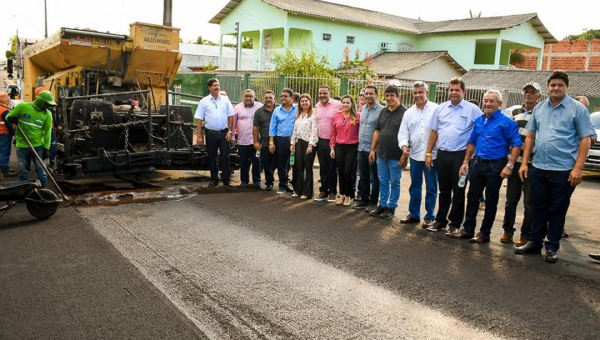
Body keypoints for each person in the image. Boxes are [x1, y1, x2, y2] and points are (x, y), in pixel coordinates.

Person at [515, 70, 596, 263]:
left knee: (557, 209)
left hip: (564, 170)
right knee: (538, 206)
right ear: (548, 87)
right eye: (553, 85)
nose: (556, 88)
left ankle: (551, 246)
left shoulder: (577, 109)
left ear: (566, 87)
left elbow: (586, 139)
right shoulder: (540, 108)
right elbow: (531, 136)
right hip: (539, 167)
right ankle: (535, 242)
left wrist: (578, 168)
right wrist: (524, 163)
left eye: (560, 85)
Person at [450, 90, 522, 243]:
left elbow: (516, 144)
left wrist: (509, 165)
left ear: (500, 104)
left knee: (490, 201)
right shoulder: (479, 120)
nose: (488, 104)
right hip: (477, 162)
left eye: (492, 101)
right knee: (472, 197)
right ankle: (468, 229)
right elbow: (472, 142)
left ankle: (484, 233)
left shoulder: (507, 122)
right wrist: (465, 161)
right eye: (486, 100)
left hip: (496, 165)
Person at [425, 77, 482, 233]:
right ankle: (440, 221)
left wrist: (468, 158)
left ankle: (454, 224)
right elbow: (434, 132)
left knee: (459, 190)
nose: (454, 92)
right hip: (442, 154)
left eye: (457, 90)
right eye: (451, 90)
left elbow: (480, 131)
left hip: (461, 156)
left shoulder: (473, 110)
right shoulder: (441, 108)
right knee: (443, 189)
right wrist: (429, 153)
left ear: (463, 91)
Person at [501, 82, 541, 246]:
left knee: (529, 202)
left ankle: (526, 235)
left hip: (533, 163)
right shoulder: (515, 112)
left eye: (533, 92)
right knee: (511, 200)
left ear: (539, 95)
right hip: (515, 162)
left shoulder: (541, 113)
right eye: (526, 92)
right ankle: (507, 231)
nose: (529, 95)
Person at [397, 81, 439, 228]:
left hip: (432, 156)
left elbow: (440, 131)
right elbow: (403, 133)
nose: (418, 95)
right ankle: (414, 214)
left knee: (431, 187)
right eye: (415, 93)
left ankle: (429, 217)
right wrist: (404, 147)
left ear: (426, 93)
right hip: (415, 155)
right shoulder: (408, 113)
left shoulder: (436, 109)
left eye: (420, 92)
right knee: (415, 186)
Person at [368, 85, 406, 219]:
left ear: (398, 96)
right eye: (387, 95)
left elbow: (408, 135)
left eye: (392, 95)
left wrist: (404, 155)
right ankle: (382, 205)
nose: (389, 98)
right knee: (383, 181)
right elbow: (377, 130)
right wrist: (373, 149)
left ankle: (391, 207)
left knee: (395, 181)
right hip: (381, 153)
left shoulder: (404, 113)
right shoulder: (383, 112)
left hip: (396, 155)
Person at [6, 90, 55, 188]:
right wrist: (10, 118)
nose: (49, 106)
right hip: (22, 146)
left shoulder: (47, 114)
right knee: (23, 170)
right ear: (40, 101)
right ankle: (25, 193)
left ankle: (42, 193)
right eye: (47, 104)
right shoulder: (22, 107)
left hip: (39, 147)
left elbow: (47, 132)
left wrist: (46, 148)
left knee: (41, 171)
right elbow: (8, 116)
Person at [195, 78, 235, 186]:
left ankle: (226, 179)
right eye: (214, 85)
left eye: (218, 85)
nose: (217, 87)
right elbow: (199, 119)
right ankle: (214, 179)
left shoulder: (225, 100)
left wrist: (230, 131)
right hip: (210, 134)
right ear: (209, 87)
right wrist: (199, 136)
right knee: (212, 157)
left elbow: (231, 116)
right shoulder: (204, 101)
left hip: (223, 133)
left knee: (225, 157)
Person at [354, 85, 383, 211]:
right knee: (364, 176)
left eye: (371, 93)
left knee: (374, 178)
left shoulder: (382, 110)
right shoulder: (363, 109)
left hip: (373, 150)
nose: (368, 96)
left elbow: (380, 130)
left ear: (376, 95)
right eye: (366, 93)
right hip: (361, 149)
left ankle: (373, 202)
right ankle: (364, 199)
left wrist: (374, 149)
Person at [330, 95, 360, 206]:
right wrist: (332, 147)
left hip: (352, 147)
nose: (345, 104)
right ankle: (341, 194)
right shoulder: (337, 117)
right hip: (339, 147)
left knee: (348, 172)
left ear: (352, 104)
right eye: (343, 102)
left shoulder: (357, 116)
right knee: (341, 172)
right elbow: (333, 133)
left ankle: (348, 195)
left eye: (348, 102)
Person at [314, 85, 342, 202]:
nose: (322, 96)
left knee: (332, 167)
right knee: (323, 167)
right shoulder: (317, 106)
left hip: (333, 142)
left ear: (329, 93)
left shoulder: (337, 104)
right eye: (320, 93)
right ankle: (323, 191)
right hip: (320, 141)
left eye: (324, 93)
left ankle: (332, 192)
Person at [232, 89, 263, 187]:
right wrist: (232, 136)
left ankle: (257, 181)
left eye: (250, 96)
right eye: (246, 96)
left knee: (257, 162)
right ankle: (244, 181)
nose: (248, 98)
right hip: (242, 140)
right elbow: (233, 124)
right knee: (243, 162)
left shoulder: (260, 107)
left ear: (254, 97)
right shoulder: (237, 107)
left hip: (256, 141)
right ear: (243, 97)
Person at [290, 93, 318, 199]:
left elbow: (314, 131)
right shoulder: (298, 115)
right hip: (298, 143)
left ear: (310, 102)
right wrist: (292, 143)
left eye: (306, 101)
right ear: (299, 103)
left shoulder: (313, 115)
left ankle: (307, 192)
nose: (304, 103)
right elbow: (295, 130)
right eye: (302, 101)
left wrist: (311, 145)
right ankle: (298, 190)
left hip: (308, 143)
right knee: (298, 167)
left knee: (308, 167)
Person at [269, 88, 297, 194]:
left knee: (296, 164)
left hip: (296, 141)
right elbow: (272, 127)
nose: (283, 98)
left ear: (291, 98)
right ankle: (283, 185)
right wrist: (271, 143)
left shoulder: (298, 109)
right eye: (281, 96)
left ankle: (297, 186)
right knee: (282, 164)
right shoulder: (277, 110)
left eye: (285, 96)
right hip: (281, 140)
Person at [253, 90, 277, 191]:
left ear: (274, 98)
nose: (268, 100)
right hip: (265, 143)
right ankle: (269, 182)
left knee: (280, 164)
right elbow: (255, 128)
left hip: (280, 142)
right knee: (267, 164)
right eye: (266, 98)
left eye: (270, 98)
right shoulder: (259, 112)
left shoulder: (280, 109)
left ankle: (284, 183)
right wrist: (256, 141)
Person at [0, 92, 15, 176]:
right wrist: (12, 132)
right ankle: (5, 169)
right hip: (4, 133)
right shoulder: (4, 110)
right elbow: (8, 122)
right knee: (4, 151)